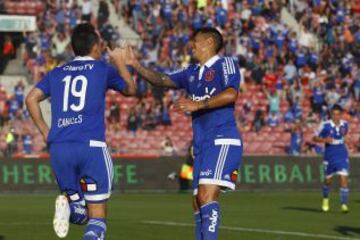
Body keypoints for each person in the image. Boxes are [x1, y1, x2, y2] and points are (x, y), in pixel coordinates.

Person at [113, 27, 242, 240]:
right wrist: (136, 65)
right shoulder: (192, 71)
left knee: (206, 195)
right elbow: (162, 79)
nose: (192, 45)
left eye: (196, 41)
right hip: (202, 144)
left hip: (222, 138)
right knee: (197, 202)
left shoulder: (225, 64)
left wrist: (197, 104)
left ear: (209, 42)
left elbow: (231, 94)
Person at [25, 23, 136, 240]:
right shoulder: (102, 69)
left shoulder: (56, 73)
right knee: (98, 216)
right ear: (96, 47)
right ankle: (72, 207)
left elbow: (30, 99)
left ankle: (70, 206)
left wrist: (46, 132)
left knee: (81, 213)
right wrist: (120, 63)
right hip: (90, 147)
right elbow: (131, 90)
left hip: (59, 148)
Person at [313, 105, 350, 213]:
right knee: (328, 181)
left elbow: (344, 137)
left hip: (342, 153)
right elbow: (314, 138)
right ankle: (325, 199)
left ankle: (344, 204)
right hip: (329, 155)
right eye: (334, 114)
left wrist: (347, 142)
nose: (336, 117)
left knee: (343, 178)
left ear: (341, 114)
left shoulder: (345, 124)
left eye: (338, 114)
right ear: (331, 114)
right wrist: (324, 139)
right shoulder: (325, 125)